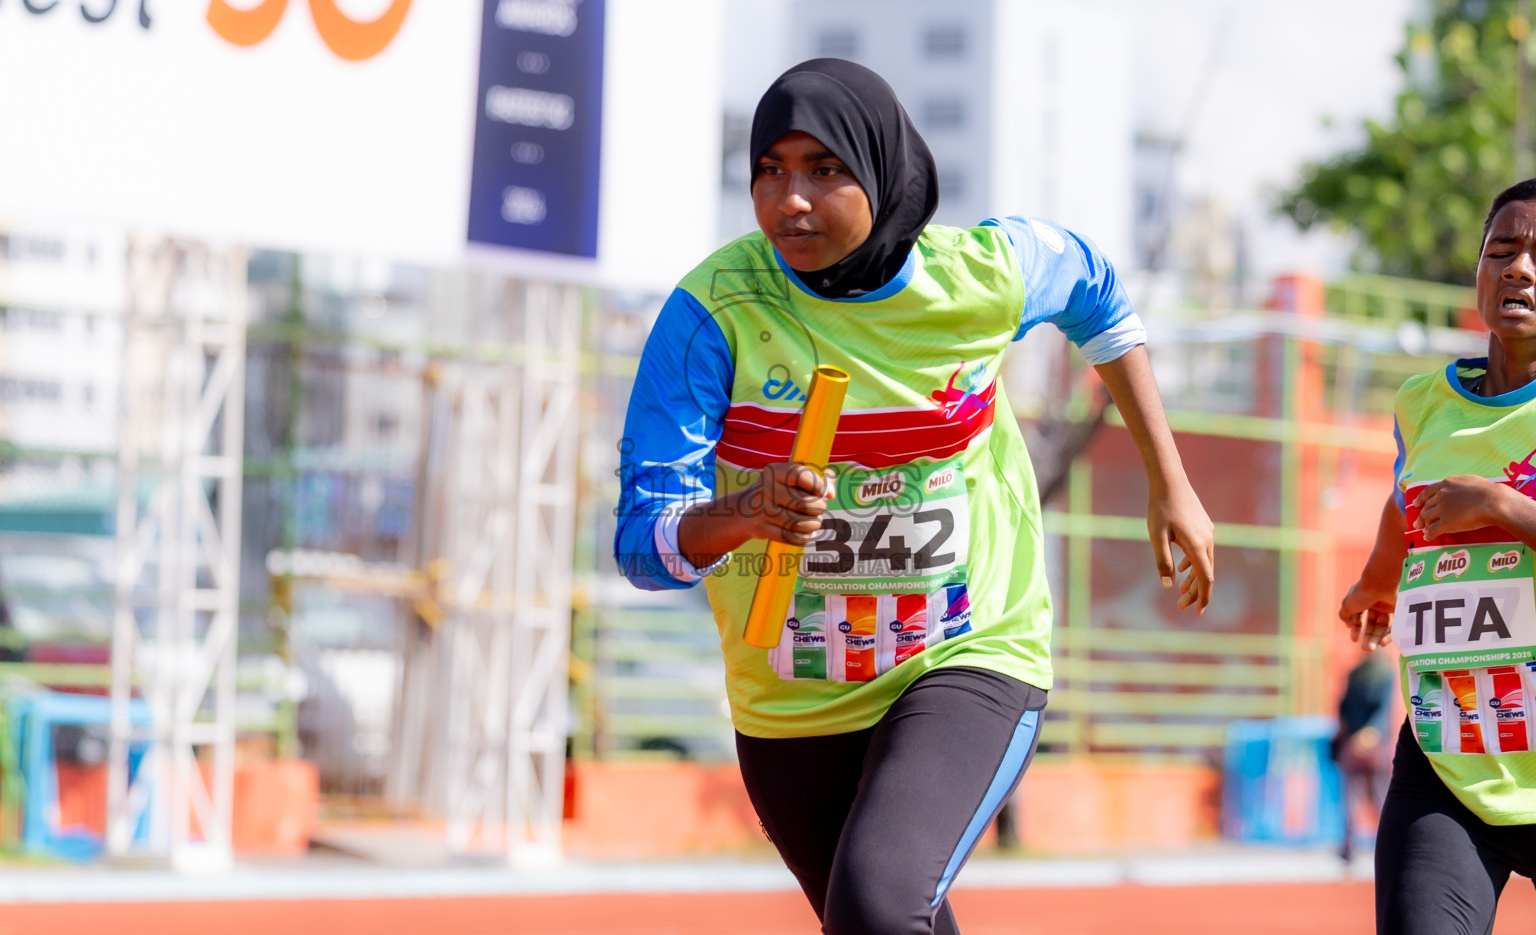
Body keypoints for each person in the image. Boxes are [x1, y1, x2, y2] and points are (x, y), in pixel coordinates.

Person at [615, 59, 1215, 935]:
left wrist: (1172, 482)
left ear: (883, 168)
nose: (790, 200)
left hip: (969, 651)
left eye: (825, 169)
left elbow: (1096, 290)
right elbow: (643, 544)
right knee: (895, 923)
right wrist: (745, 513)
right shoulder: (714, 313)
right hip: (792, 695)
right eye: (769, 170)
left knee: (877, 903)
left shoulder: (980, 276)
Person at [1340, 178, 1536, 935]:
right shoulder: (1422, 403)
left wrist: (1502, 506)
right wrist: (1377, 582)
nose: (1519, 269)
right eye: (1503, 251)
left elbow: (1478, 505)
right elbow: (1405, 505)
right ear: (1479, 272)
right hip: (1450, 756)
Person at [1332, 650, 1395, 862]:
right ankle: (1352, 847)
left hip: (1364, 742)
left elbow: (1378, 710)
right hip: (1365, 742)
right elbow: (1345, 708)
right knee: (1363, 797)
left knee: (1374, 796)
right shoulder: (1378, 672)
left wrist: (1362, 735)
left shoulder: (1380, 673)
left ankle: (1384, 846)